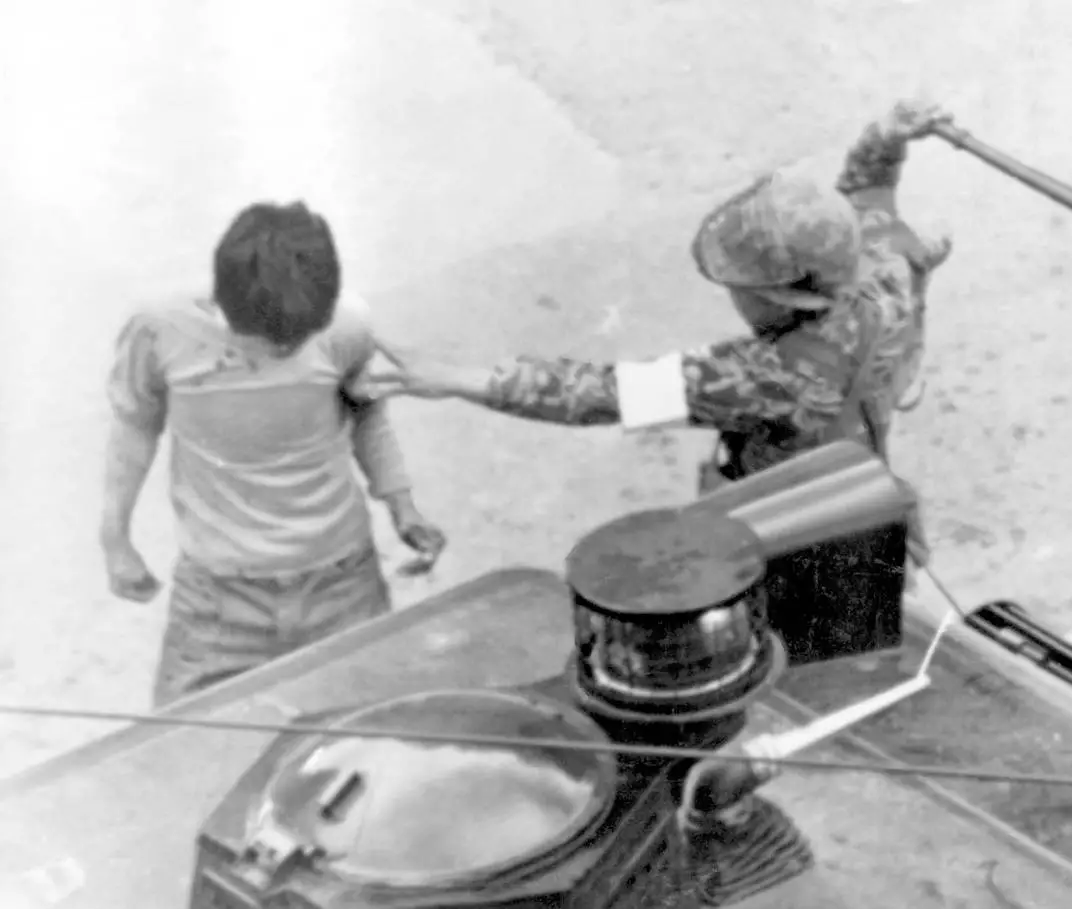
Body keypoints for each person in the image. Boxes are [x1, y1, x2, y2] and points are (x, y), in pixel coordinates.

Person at [360, 99, 951, 658]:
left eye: (741, 288)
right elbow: (865, 195)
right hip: (870, 512)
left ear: (781, 293)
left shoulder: (758, 379)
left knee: (781, 667)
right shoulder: (883, 269)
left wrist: (458, 378)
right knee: (864, 645)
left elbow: (594, 393)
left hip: (793, 546)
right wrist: (888, 136)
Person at [100, 201, 446, 708]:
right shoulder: (158, 330)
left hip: (343, 586)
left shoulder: (348, 324)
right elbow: (134, 427)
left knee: (373, 740)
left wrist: (401, 503)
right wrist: (115, 538)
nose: (288, 349)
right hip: (217, 600)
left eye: (301, 336)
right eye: (273, 341)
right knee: (180, 753)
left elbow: (368, 412)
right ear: (225, 304)